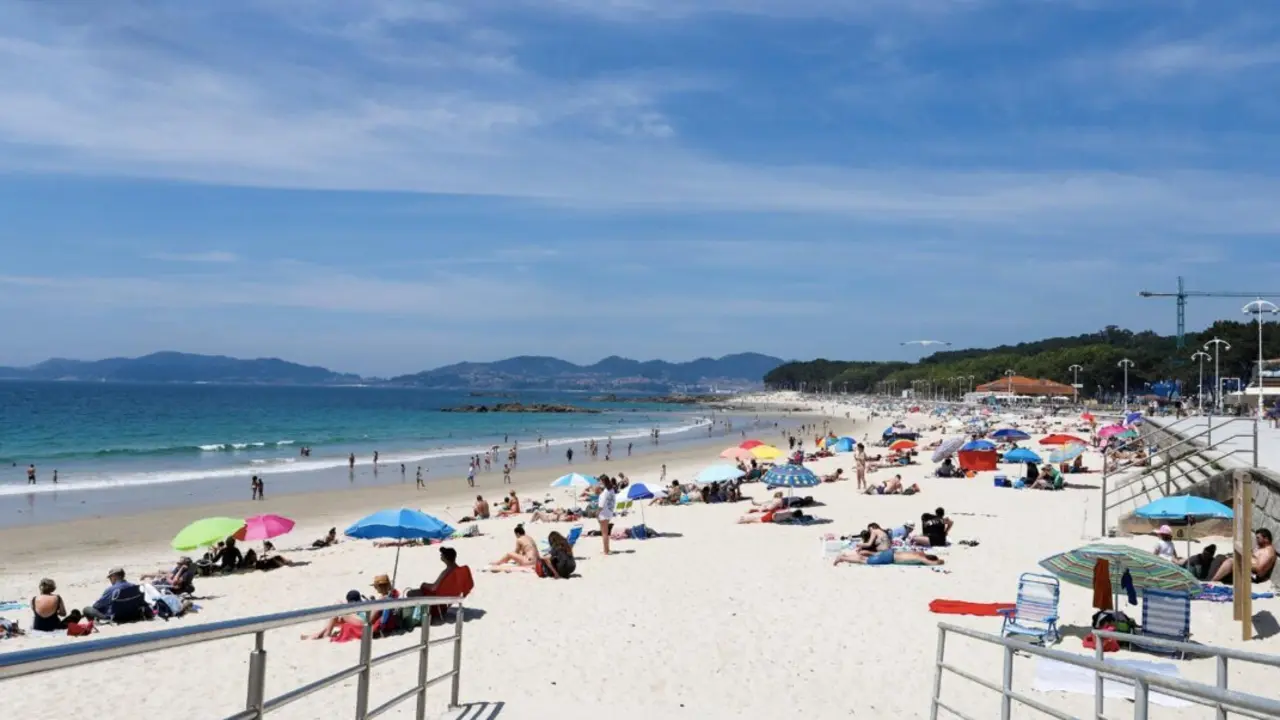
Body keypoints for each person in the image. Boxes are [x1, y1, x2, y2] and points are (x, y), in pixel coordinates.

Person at [1210, 529, 1277, 584]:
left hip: (1253, 575)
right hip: (1246, 569)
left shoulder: (1267, 552)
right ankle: (1208, 577)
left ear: (1266, 539)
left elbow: (1259, 568)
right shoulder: (1260, 547)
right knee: (1221, 557)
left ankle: (1212, 581)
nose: (1256, 540)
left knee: (1231, 562)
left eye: (1258, 538)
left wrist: (1242, 562)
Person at [302, 590, 366, 641]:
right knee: (335, 619)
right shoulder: (363, 605)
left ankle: (323, 635)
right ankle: (320, 634)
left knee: (336, 615)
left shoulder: (357, 607)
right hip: (361, 622)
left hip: (361, 623)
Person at [834, 549, 945, 566]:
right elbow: (932, 564)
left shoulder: (919, 553)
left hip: (891, 552)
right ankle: (843, 558)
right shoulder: (921, 558)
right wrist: (939, 561)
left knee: (865, 557)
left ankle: (846, 556)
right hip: (890, 558)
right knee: (865, 561)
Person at [597, 476, 617, 556]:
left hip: (604, 513)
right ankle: (607, 549)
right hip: (609, 512)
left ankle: (606, 550)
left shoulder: (605, 492)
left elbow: (601, 506)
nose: (599, 483)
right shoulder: (611, 490)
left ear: (603, 482)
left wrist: (596, 513)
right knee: (605, 532)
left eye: (600, 482)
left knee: (604, 533)